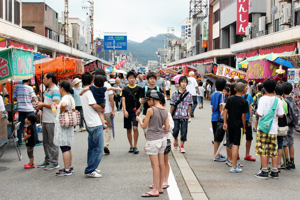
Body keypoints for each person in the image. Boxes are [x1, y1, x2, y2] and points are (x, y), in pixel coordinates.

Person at [136, 90, 169, 197]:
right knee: (162, 164)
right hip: (162, 139)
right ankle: (160, 187)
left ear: (152, 99)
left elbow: (144, 126)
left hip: (153, 140)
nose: (147, 103)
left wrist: (139, 120)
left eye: (147, 101)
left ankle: (154, 190)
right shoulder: (165, 110)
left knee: (155, 166)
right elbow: (167, 127)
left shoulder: (151, 110)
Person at [255, 78, 284, 179]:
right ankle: (274, 171)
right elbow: (281, 115)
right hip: (273, 129)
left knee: (263, 150)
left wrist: (257, 112)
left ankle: (264, 171)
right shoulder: (278, 100)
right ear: (274, 88)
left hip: (263, 128)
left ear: (264, 88)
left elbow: (260, 113)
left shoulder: (262, 99)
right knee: (273, 150)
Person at [80, 72, 104, 178]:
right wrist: (102, 109)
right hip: (95, 123)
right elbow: (94, 105)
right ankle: (90, 169)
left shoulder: (83, 92)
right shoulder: (89, 92)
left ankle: (91, 167)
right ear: (91, 81)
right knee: (98, 148)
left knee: (92, 147)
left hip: (89, 122)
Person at [36, 73, 61, 170]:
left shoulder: (55, 89)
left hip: (52, 119)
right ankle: (48, 160)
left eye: (45, 78)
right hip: (46, 119)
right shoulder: (48, 90)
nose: (43, 80)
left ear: (50, 79)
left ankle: (54, 162)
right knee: (46, 142)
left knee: (52, 142)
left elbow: (56, 104)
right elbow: (47, 103)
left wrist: (43, 105)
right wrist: (41, 104)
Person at [223, 82, 248, 173]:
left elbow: (225, 110)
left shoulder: (230, 99)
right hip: (238, 125)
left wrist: (225, 122)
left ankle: (233, 163)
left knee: (231, 143)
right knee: (235, 145)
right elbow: (243, 116)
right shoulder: (244, 101)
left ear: (234, 89)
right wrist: (244, 127)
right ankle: (234, 165)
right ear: (244, 90)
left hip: (230, 124)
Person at [52, 81, 75, 176]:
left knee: (64, 146)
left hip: (63, 124)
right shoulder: (70, 97)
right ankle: (69, 167)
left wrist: (61, 111)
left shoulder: (65, 97)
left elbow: (64, 105)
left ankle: (66, 169)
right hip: (68, 123)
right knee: (68, 146)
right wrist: (58, 107)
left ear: (62, 88)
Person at [14, 79, 41, 147]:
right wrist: (28, 100)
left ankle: (19, 142)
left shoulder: (17, 88)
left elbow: (14, 98)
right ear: (28, 81)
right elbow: (34, 99)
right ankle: (36, 140)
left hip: (20, 109)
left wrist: (20, 99)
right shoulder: (30, 88)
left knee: (20, 125)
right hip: (29, 109)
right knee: (33, 124)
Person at [94, 69, 115, 155]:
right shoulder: (107, 85)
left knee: (98, 128)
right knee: (108, 127)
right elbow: (111, 98)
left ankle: (98, 145)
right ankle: (105, 144)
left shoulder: (93, 86)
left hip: (96, 110)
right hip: (107, 110)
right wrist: (113, 110)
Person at [122, 71, 143, 154]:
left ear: (135, 78)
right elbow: (123, 100)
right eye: (130, 78)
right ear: (127, 79)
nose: (131, 79)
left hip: (135, 111)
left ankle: (135, 145)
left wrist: (139, 109)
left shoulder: (139, 88)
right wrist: (124, 111)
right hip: (127, 111)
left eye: (133, 78)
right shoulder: (125, 89)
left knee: (135, 128)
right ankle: (131, 146)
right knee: (129, 129)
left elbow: (142, 100)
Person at [170, 76, 192, 153]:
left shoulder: (189, 94)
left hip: (184, 115)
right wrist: (170, 115)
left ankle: (182, 146)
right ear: (179, 83)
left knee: (184, 131)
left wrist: (189, 115)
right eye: (182, 82)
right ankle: (175, 138)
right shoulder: (174, 94)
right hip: (176, 115)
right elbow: (172, 105)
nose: (183, 84)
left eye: (185, 82)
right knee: (175, 130)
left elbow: (189, 105)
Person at [238, 79, 256, 162]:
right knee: (238, 137)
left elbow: (250, 108)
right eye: (244, 86)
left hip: (247, 119)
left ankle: (247, 154)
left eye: (246, 86)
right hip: (239, 119)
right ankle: (236, 154)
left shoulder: (249, 96)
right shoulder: (236, 96)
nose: (246, 87)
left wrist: (251, 119)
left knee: (249, 137)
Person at [141, 72, 163, 137]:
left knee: (156, 130)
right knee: (146, 130)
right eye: (150, 79)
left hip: (157, 113)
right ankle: (148, 143)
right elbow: (142, 101)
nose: (152, 80)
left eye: (154, 79)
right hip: (146, 112)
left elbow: (162, 101)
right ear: (147, 80)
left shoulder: (158, 89)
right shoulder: (144, 89)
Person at [282, 82, 297, 170]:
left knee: (285, 143)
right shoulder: (292, 100)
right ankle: (292, 161)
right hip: (292, 124)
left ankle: (286, 162)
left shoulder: (284, 101)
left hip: (286, 124)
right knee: (291, 143)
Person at [211, 78, 226, 161]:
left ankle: (217, 153)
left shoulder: (213, 94)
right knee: (218, 137)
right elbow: (222, 106)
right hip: (219, 118)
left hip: (213, 117)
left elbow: (212, 108)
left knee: (216, 136)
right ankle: (215, 155)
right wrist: (224, 117)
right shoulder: (222, 95)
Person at [275, 84, 288, 172]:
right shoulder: (284, 102)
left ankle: (273, 165)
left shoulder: (274, 101)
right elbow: (285, 113)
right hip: (282, 127)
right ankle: (279, 164)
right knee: (280, 146)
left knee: (273, 145)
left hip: (274, 126)